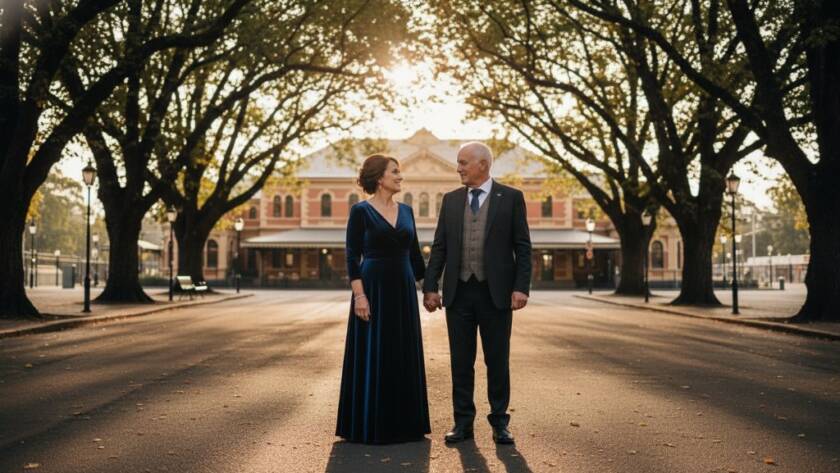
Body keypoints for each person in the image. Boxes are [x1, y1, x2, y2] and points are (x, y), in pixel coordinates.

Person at [423, 142, 532, 445]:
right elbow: (440, 246)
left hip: (495, 294)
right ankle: (463, 423)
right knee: (461, 361)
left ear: (483, 164)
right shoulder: (451, 200)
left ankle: (500, 422)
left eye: (463, 163)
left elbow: (523, 247)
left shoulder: (510, 198)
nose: (458, 168)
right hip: (458, 294)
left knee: (497, 361)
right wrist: (431, 286)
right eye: (458, 163)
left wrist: (521, 287)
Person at [335, 154, 430, 444]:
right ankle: (369, 424)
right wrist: (359, 296)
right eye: (395, 172)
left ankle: (405, 425)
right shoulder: (361, 211)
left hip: (403, 291)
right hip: (373, 288)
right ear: (380, 178)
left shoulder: (408, 212)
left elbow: (415, 256)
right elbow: (352, 256)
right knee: (373, 352)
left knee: (402, 350)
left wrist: (431, 288)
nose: (400, 177)